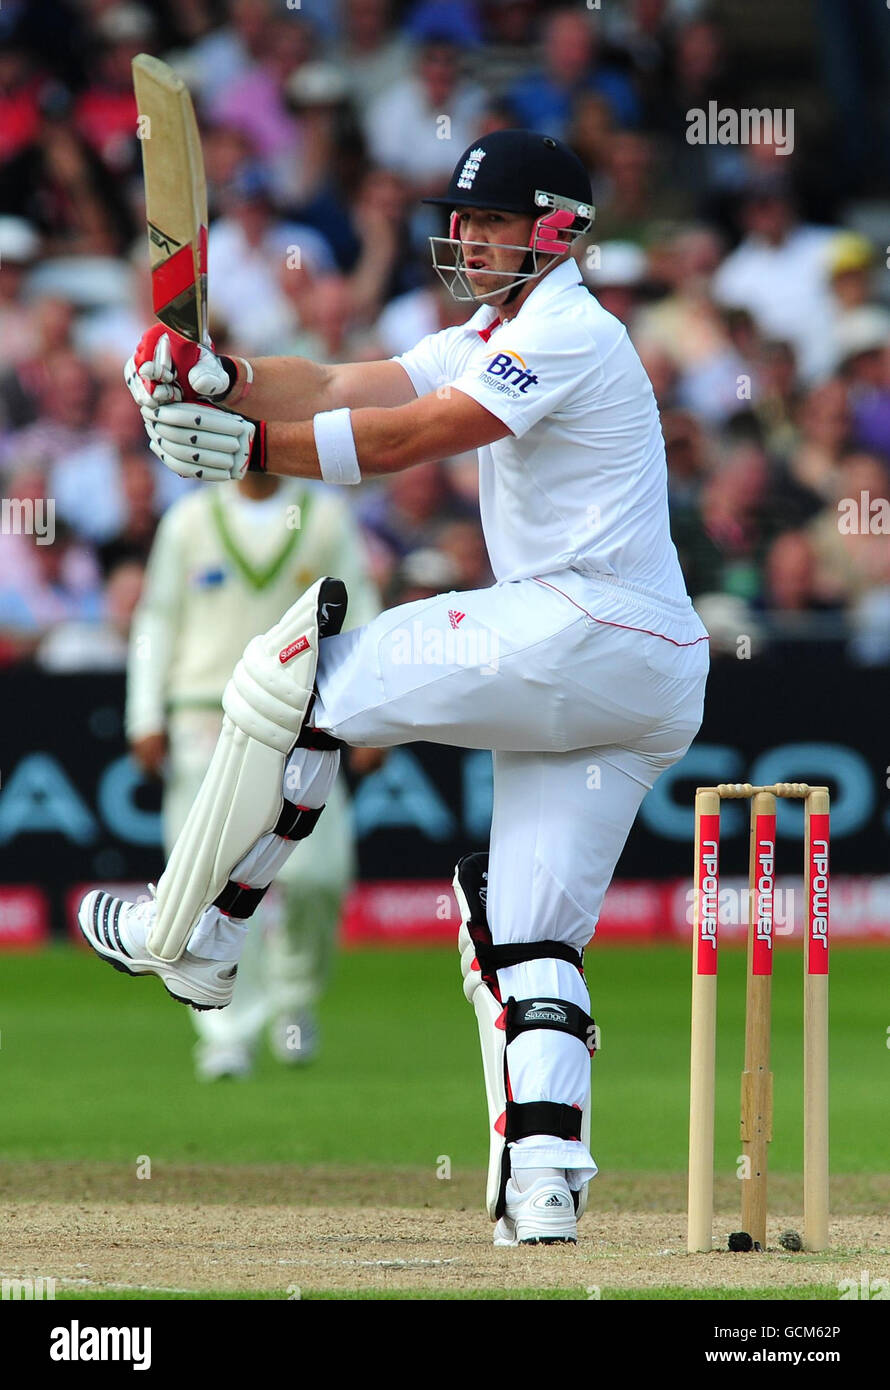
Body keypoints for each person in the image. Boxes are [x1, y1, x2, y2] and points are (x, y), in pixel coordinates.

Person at [78, 129, 709, 1247]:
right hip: (640, 675)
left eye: (492, 223)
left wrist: (247, 447)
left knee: (300, 676)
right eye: (460, 220)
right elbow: (333, 379)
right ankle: (544, 1189)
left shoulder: (568, 328)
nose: (466, 239)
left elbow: (418, 433)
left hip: (586, 623)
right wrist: (214, 376)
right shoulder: (489, 330)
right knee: (525, 936)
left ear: (556, 230)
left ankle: (199, 931)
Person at [126, 469, 381, 1079]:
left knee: (317, 876)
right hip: (203, 711)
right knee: (205, 875)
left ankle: (293, 1005)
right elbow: (157, 618)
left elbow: (362, 610)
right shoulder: (188, 521)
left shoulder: (324, 516)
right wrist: (143, 714)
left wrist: (374, 714)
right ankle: (225, 1030)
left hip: (305, 712)